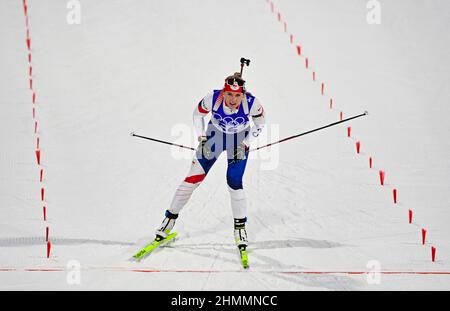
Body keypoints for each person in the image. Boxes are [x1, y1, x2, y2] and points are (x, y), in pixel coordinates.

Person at [154, 72, 266, 252]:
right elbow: (197, 115)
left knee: (234, 182)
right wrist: (202, 137)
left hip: (239, 140)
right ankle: (168, 220)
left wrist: (245, 144)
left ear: (243, 94)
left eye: (237, 95)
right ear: (224, 91)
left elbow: (260, 124)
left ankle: (240, 228)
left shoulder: (252, 103)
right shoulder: (213, 98)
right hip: (214, 137)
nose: (233, 99)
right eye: (229, 94)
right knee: (192, 179)